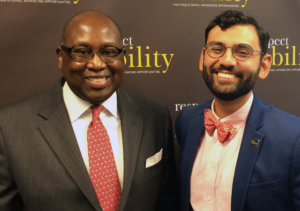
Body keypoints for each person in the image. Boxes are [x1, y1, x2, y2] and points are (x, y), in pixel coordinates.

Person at [0, 10, 178, 211]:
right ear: (61, 57)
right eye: (82, 52)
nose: (96, 64)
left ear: (123, 58)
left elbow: (167, 201)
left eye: (109, 52)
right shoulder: (9, 128)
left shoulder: (154, 117)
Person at [175, 10, 300, 211]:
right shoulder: (187, 121)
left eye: (242, 52)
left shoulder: (294, 137)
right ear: (202, 58)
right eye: (216, 49)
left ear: (264, 66)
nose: (227, 61)